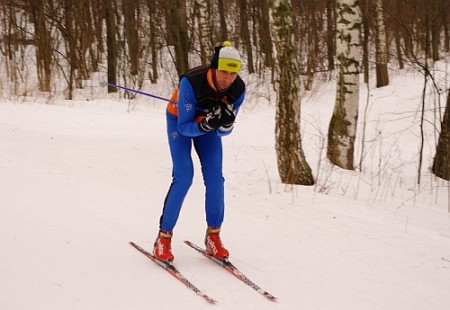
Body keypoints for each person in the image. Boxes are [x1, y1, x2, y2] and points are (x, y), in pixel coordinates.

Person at [153, 41, 246, 262]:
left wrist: (225, 124)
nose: (227, 78)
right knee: (184, 176)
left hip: (206, 126)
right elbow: (185, 128)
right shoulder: (191, 82)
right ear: (214, 67)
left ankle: (213, 236)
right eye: (224, 71)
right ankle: (163, 238)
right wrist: (205, 125)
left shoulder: (238, 89)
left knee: (215, 178)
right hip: (179, 121)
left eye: (233, 73)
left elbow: (224, 134)